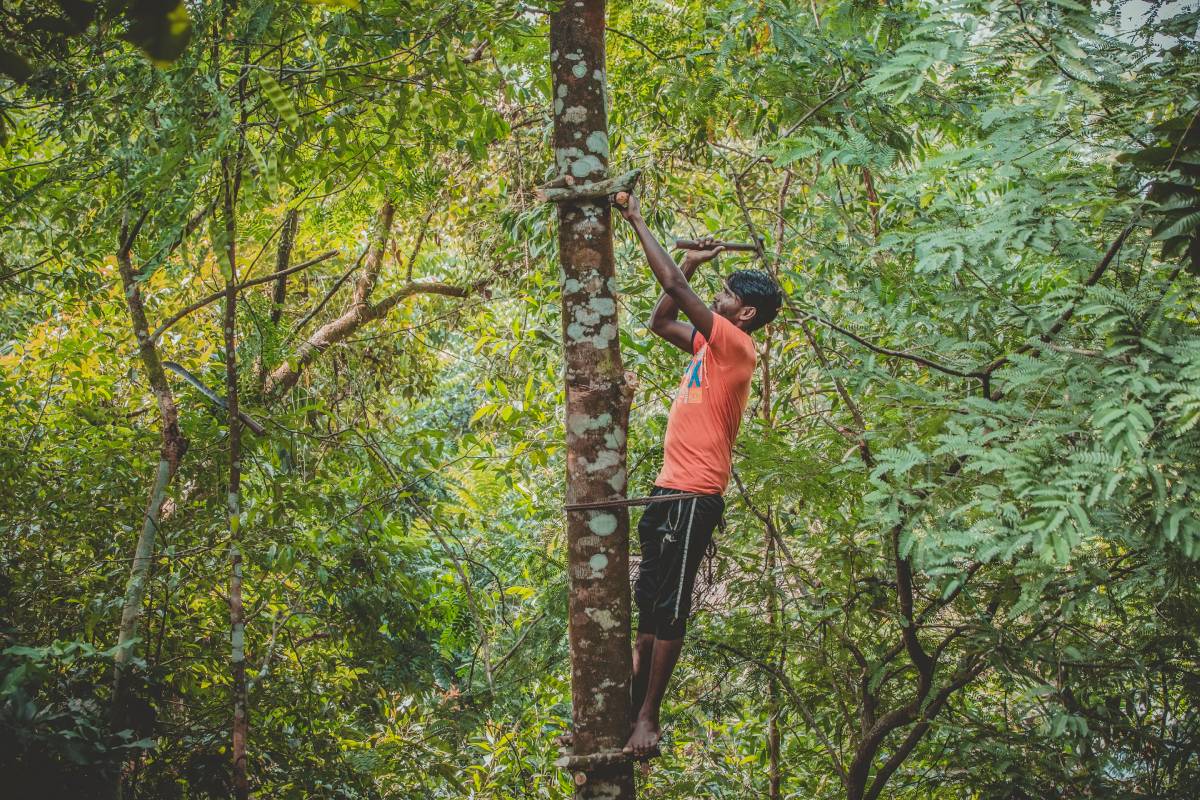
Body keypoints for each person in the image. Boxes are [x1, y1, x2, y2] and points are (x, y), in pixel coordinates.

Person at [615, 192, 783, 759]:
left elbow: (677, 294)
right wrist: (688, 265)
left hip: (694, 497)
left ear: (745, 315)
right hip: (668, 491)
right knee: (648, 604)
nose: (719, 296)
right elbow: (661, 318)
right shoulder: (708, 349)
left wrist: (637, 217)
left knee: (669, 609)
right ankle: (630, 712)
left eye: (727, 295)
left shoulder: (736, 346)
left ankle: (648, 718)